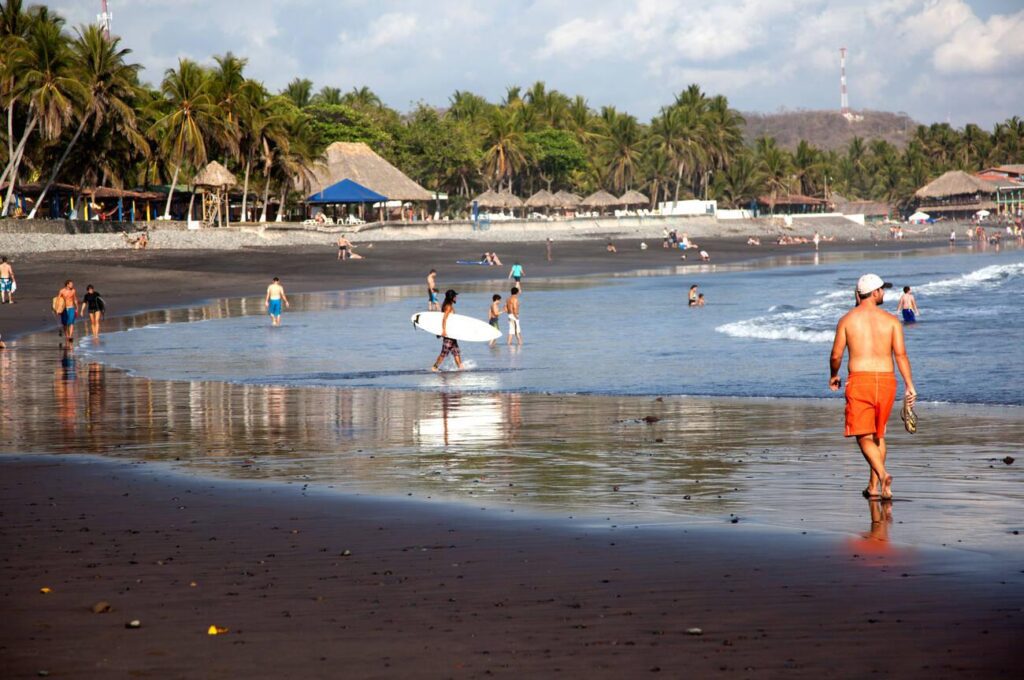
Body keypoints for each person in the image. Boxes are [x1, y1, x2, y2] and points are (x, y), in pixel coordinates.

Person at [829, 273, 917, 501]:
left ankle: (883, 474)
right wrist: (909, 385)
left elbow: (836, 354)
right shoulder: (891, 321)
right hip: (887, 380)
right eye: (882, 290)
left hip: (860, 380)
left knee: (863, 436)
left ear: (858, 295)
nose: (884, 293)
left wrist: (834, 375)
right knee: (879, 434)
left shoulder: (847, 320)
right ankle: (874, 486)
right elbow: (901, 355)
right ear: (875, 293)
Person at [431, 289, 463, 371]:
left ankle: (461, 368)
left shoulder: (448, 305)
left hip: (452, 334)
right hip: (448, 334)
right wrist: (443, 331)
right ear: (452, 297)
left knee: (456, 352)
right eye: (455, 296)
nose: (456, 297)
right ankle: (434, 367)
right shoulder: (448, 307)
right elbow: (444, 319)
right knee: (443, 353)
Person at [55, 280, 79, 346]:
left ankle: (70, 336)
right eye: (71, 284)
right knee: (65, 323)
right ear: (67, 284)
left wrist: (77, 307)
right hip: (64, 308)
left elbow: (74, 298)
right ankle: (67, 336)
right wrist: (57, 309)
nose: (72, 285)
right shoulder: (62, 291)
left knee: (71, 322)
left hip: (71, 307)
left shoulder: (73, 290)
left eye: (72, 284)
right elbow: (58, 299)